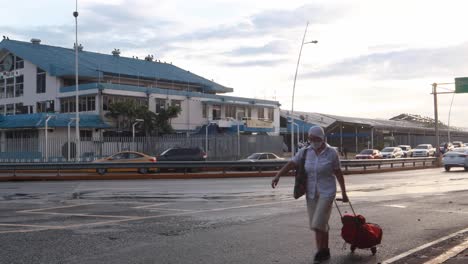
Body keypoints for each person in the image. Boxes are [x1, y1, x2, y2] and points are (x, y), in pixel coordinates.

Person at [271, 126, 349, 263]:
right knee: (317, 223)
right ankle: (325, 251)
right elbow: (291, 164)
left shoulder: (331, 153)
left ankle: (320, 252)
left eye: (315, 139)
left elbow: (338, 173)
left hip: (327, 192)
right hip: (311, 192)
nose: (312, 141)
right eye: (310, 138)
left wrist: (344, 192)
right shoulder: (305, 152)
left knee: (318, 223)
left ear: (322, 138)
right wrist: (278, 175)